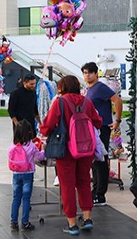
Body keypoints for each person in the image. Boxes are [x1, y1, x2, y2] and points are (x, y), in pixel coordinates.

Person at [40, 75, 102, 235]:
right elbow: (98, 121)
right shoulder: (87, 102)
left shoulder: (60, 102)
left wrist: (45, 132)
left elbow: (47, 125)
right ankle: (87, 218)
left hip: (66, 150)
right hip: (86, 149)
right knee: (84, 183)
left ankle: (72, 224)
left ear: (62, 87)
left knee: (67, 185)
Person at [81, 62, 123, 207]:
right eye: (85, 72)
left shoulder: (100, 88)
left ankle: (101, 194)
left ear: (95, 73)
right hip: (92, 128)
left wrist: (117, 120)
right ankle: (96, 191)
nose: (87, 75)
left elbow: (117, 100)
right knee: (95, 160)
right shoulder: (89, 89)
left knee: (101, 159)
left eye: (90, 72)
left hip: (102, 127)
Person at [9, 120, 45, 232]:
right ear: (29, 132)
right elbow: (40, 157)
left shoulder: (12, 146)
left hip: (16, 174)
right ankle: (25, 223)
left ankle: (13, 223)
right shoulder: (31, 146)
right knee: (26, 199)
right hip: (28, 174)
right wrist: (43, 149)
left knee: (16, 198)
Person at [8, 73, 40, 138]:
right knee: (20, 144)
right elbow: (11, 110)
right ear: (24, 83)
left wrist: (41, 123)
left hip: (31, 123)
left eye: (34, 84)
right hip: (20, 123)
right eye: (31, 84)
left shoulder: (33, 93)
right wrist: (16, 123)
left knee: (32, 143)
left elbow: (35, 109)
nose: (33, 86)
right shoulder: (16, 94)